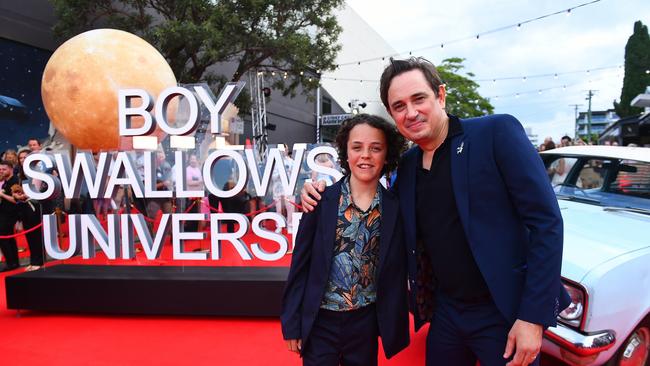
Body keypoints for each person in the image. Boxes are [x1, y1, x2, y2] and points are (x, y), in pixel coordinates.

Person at [302, 57, 570, 366]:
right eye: (399, 106)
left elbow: (546, 223)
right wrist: (320, 193)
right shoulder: (407, 166)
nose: (411, 112)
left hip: (504, 313)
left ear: (440, 95)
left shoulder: (495, 133)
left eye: (419, 99)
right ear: (392, 114)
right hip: (446, 314)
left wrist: (532, 317)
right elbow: (370, 199)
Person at [282, 114, 409, 365]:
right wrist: (291, 323)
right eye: (357, 147)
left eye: (376, 148)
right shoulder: (320, 201)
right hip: (320, 321)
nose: (365, 155)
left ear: (387, 154)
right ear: (345, 152)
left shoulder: (396, 208)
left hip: (366, 322)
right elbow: (300, 265)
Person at [0, 160, 20, 272]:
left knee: (4, 239)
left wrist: (2, 194)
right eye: (0, 170)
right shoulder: (6, 181)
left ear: (11, 169)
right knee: (8, 239)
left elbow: (16, 200)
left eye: (4, 169)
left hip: (10, 215)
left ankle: (11, 263)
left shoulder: (14, 181)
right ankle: (12, 262)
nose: (1, 171)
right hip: (4, 214)